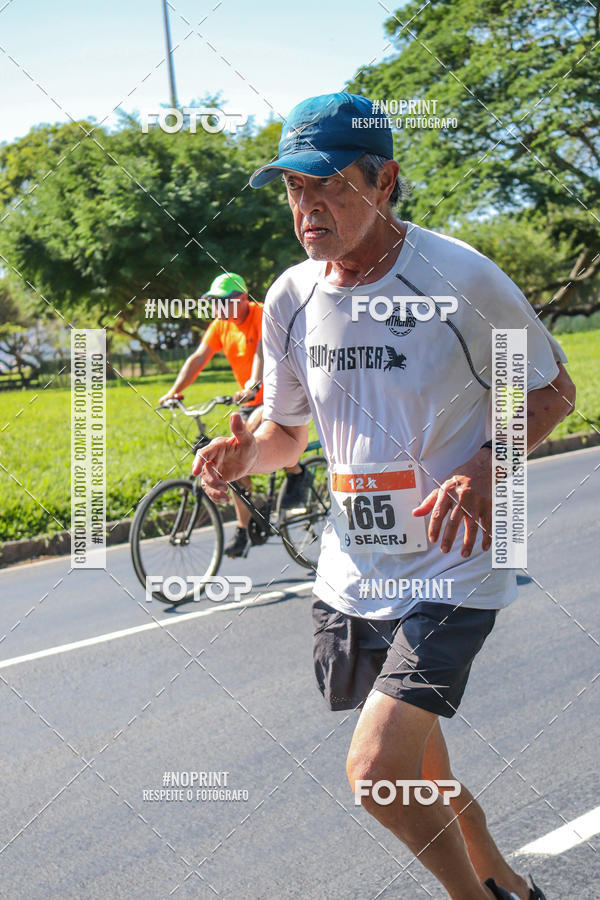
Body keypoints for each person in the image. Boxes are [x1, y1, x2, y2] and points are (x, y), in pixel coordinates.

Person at [193, 93, 575, 898]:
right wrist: (240, 458)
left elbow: (549, 392)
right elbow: (287, 435)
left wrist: (481, 468)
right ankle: (512, 884)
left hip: (454, 563)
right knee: (420, 777)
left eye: (328, 183)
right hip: (353, 571)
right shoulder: (293, 297)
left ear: (385, 180)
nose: (308, 206)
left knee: (376, 773)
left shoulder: (461, 278)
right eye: (295, 189)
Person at [159, 271, 312, 557]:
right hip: (249, 398)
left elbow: (261, 354)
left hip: (279, 396)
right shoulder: (221, 325)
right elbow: (198, 358)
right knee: (235, 457)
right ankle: (243, 527)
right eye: (214, 302)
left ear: (242, 298)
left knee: (255, 433)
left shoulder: (262, 314)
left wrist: (252, 384)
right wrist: (174, 391)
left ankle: (298, 474)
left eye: (222, 301)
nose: (217, 308)